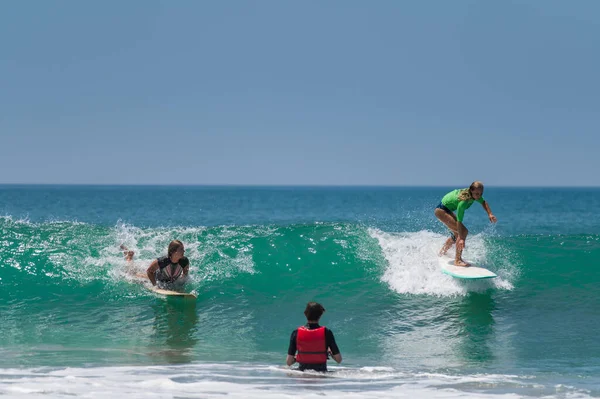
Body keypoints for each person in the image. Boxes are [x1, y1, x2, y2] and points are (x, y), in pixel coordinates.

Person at [434, 181, 497, 266]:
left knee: (457, 234)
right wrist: (462, 238)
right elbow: (459, 221)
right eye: (477, 194)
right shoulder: (463, 201)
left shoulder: (473, 195)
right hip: (441, 211)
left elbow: (483, 202)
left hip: (447, 210)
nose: (479, 196)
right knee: (463, 232)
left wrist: (490, 214)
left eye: (481, 193)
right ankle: (457, 260)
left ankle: (442, 252)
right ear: (471, 190)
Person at [286, 302, 342, 372]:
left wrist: (298, 357)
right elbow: (338, 359)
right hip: (321, 374)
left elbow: (289, 362)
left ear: (305, 314)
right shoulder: (326, 332)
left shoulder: (296, 332)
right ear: (320, 315)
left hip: (302, 375)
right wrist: (329, 352)